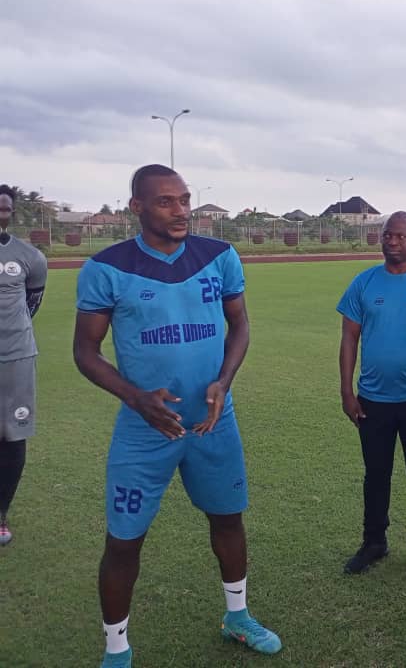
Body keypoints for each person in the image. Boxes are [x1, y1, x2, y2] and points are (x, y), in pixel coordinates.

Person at [73, 165, 280, 668]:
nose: (181, 210)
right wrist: (137, 398)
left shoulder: (219, 257)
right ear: (136, 208)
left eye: (185, 199)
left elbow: (240, 326)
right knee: (124, 540)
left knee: (228, 520)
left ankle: (237, 616)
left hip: (214, 422)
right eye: (166, 201)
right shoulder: (107, 267)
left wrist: (223, 381)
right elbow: (85, 351)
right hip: (145, 430)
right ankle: (117, 650)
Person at [337, 211, 406, 577]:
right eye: (388, 235)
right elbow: (349, 338)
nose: (393, 241)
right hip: (373, 399)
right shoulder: (363, 283)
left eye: (401, 236)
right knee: (376, 475)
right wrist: (346, 391)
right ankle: (374, 542)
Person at [0, 184, 48, 546]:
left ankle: (0, 515)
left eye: (3, 208)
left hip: (14, 358)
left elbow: (32, 303)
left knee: (13, 437)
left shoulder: (29, 257)